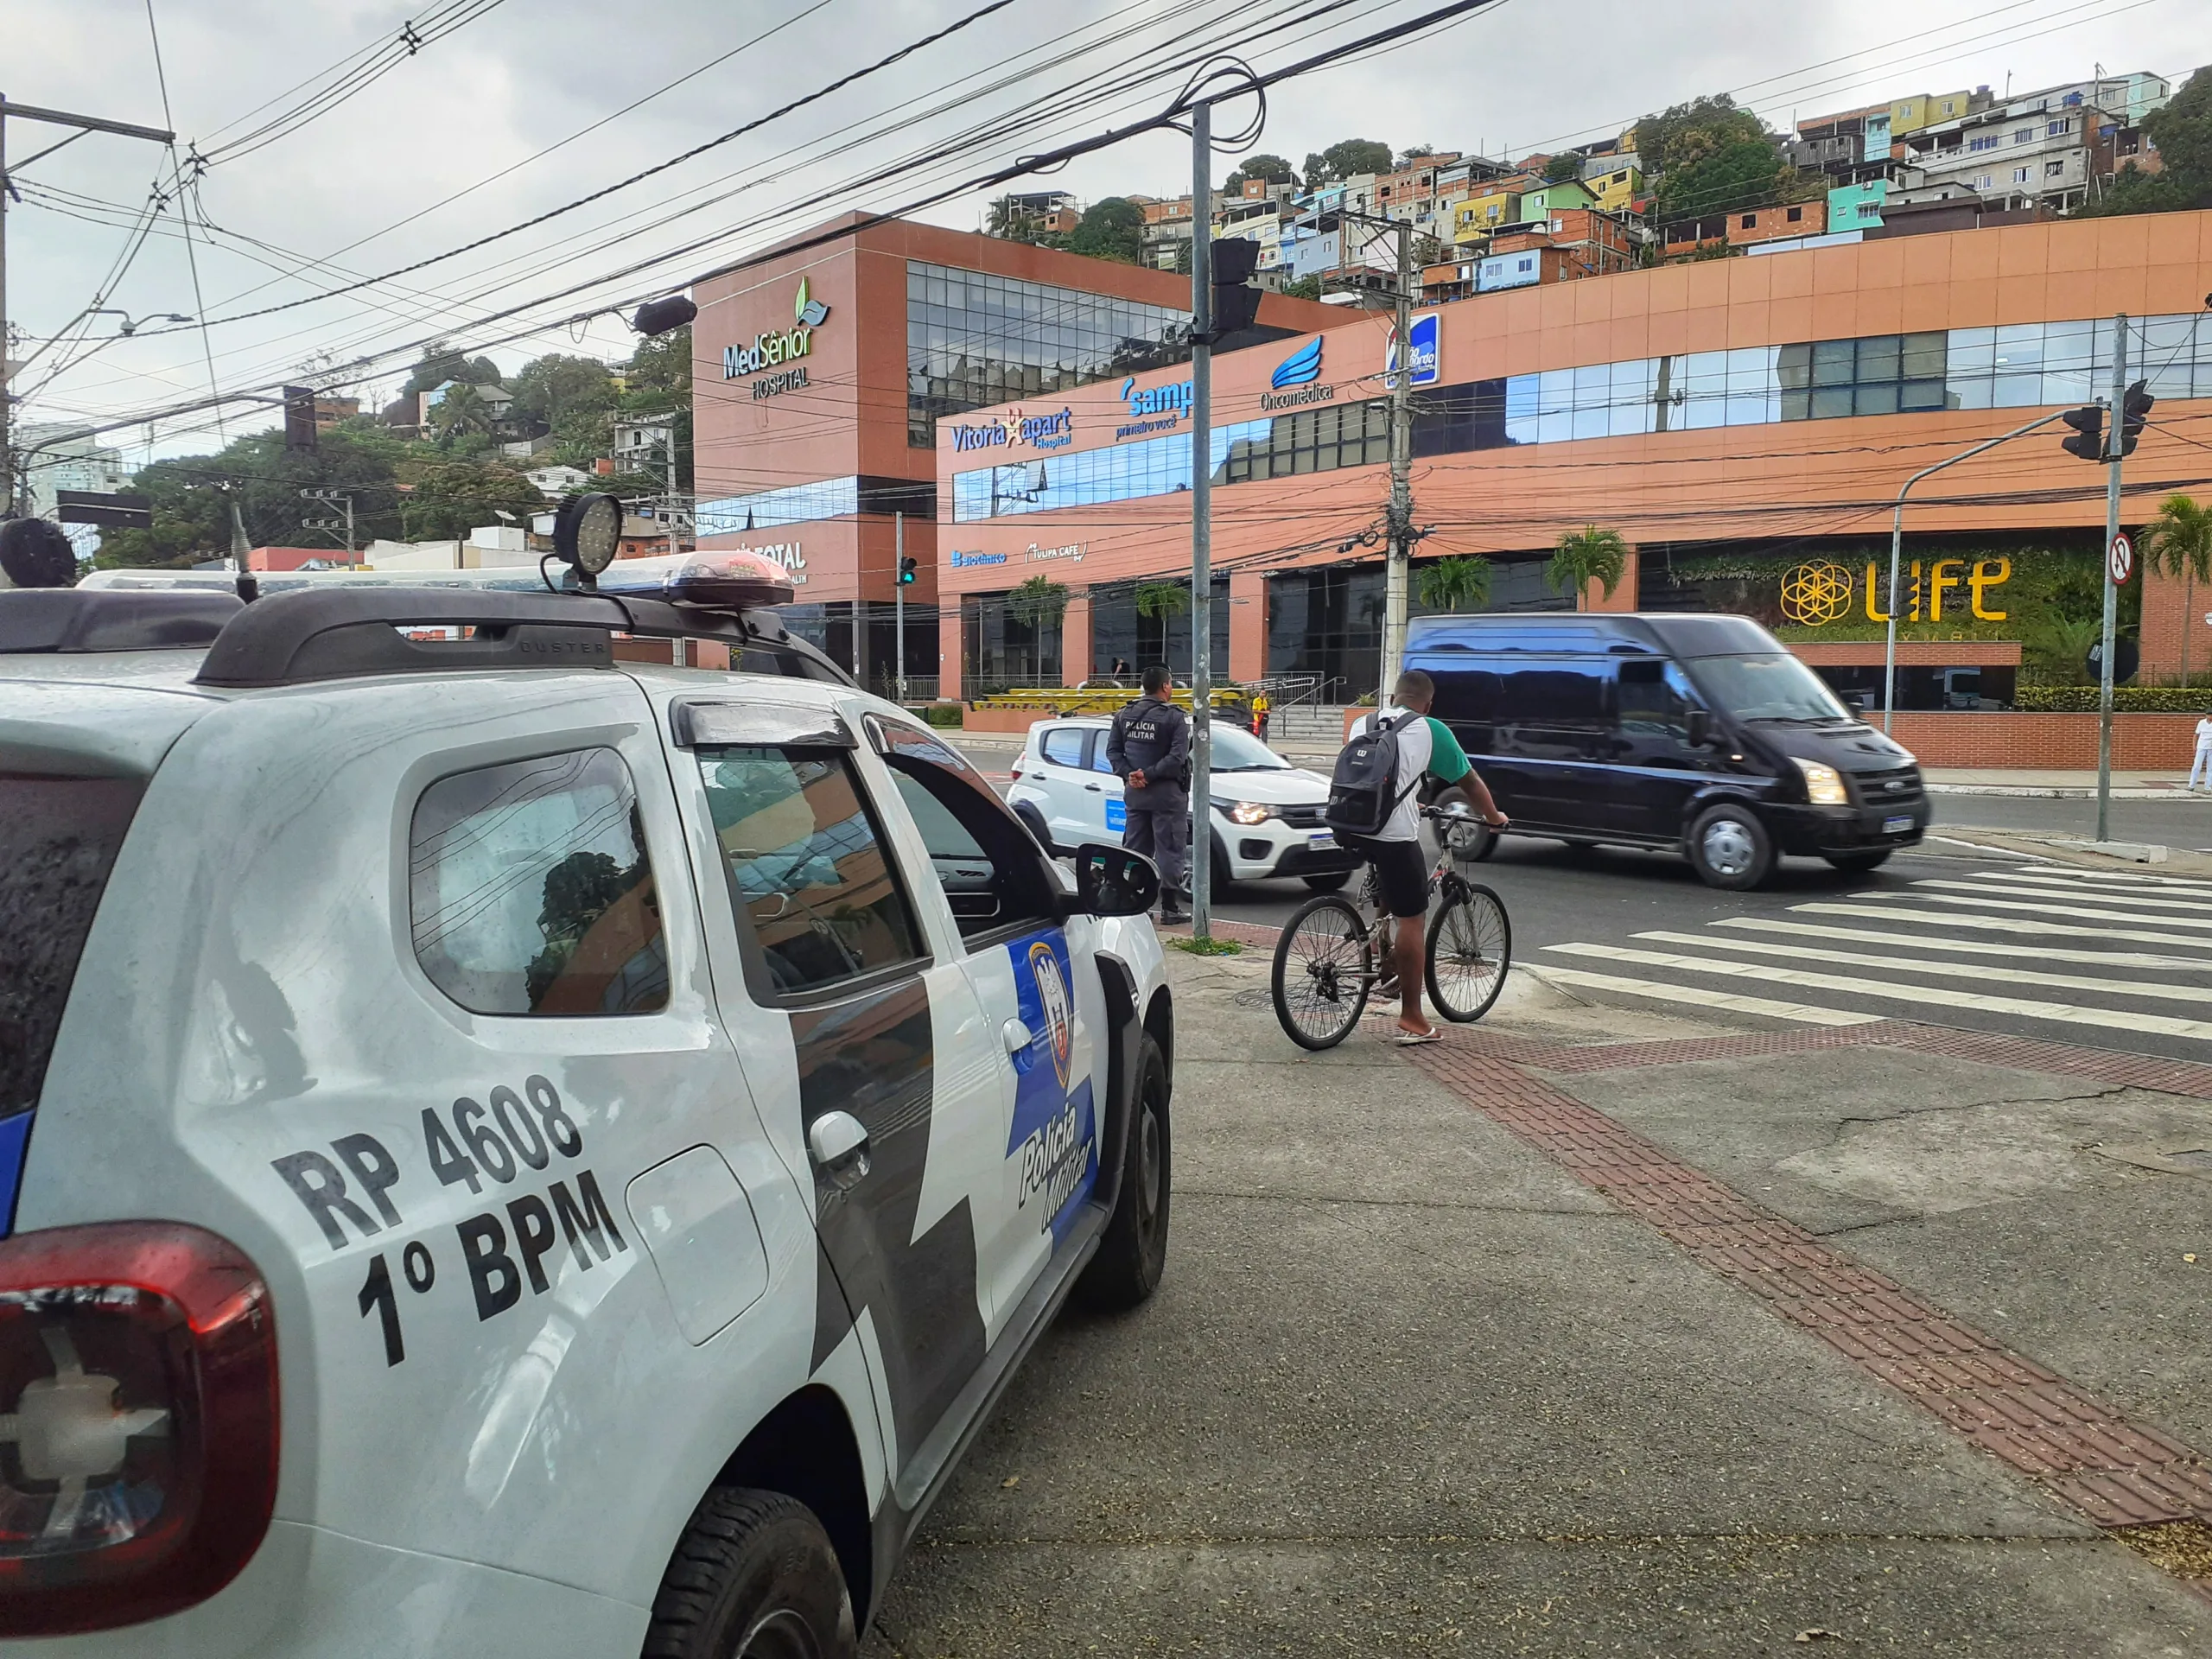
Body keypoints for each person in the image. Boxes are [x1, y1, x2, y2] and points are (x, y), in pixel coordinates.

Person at [1338, 668, 1508, 1045]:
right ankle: (1413, 1018)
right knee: (1412, 920)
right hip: (1393, 836)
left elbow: (1369, 777)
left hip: (1351, 824)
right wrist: (1494, 819)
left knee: (1389, 896)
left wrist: (1408, 799)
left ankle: (1385, 967)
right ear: (1428, 704)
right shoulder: (1430, 729)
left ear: (1395, 695)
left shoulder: (1362, 721)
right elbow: (1470, 782)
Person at [1106, 665, 1192, 925]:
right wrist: (1149, 775)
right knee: (1169, 848)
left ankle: (1133, 901)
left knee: (1135, 848)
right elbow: (1177, 758)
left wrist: (1131, 775)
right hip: (1166, 796)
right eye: (1171, 685)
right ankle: (1169, 908)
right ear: (1166, 686)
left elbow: (1113, 752)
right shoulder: (1174, 717)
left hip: (1134, 794)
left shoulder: (1124, 714)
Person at [2193, 710, 2212, 791]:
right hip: (2201, 747)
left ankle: (2207, 787)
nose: (2210, 717)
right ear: (2206, 715)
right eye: (2209, 715)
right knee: (2197, 766)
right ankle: (2191, 785)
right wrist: (2194, 746)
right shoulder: (2201, 723)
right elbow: (2196, 735)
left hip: (2211, 748)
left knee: (2210, 768)